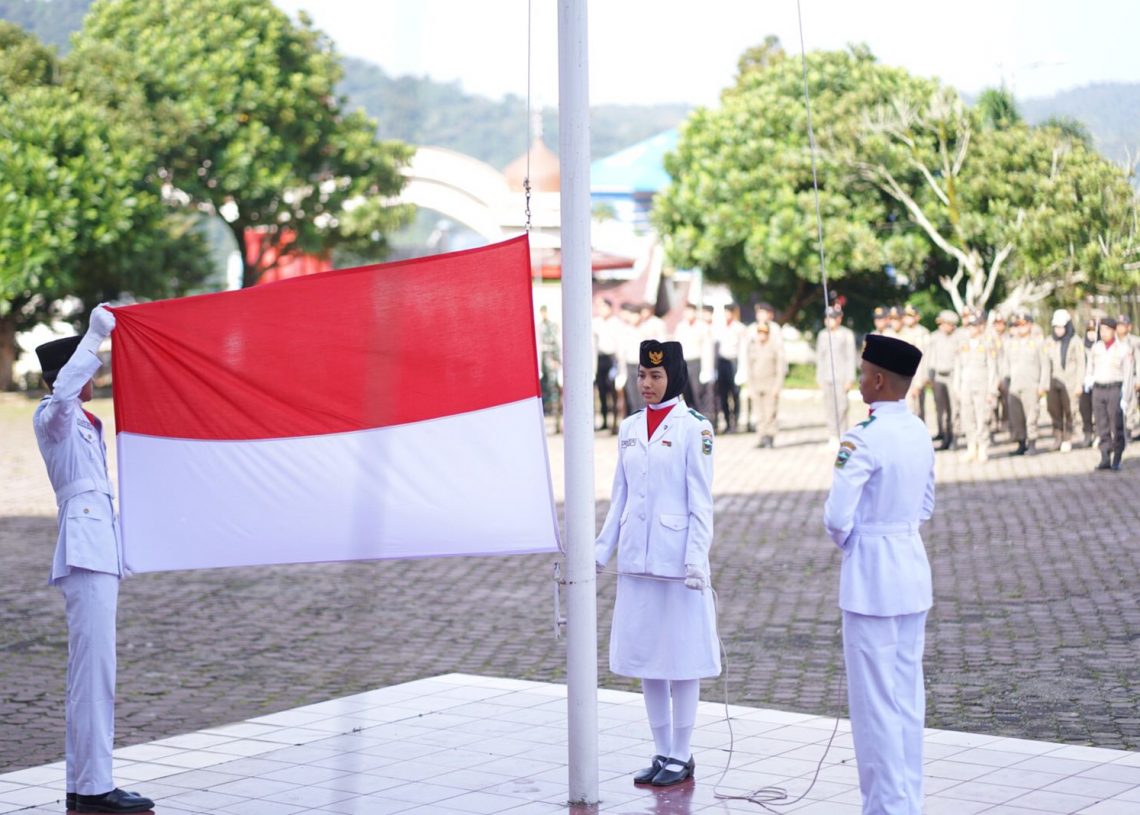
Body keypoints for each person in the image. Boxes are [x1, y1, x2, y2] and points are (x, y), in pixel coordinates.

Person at [33, 306, 156, 814]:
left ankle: (87, 783)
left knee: (95, 671)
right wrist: (95, 335)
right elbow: (64, 391)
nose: (95, 378)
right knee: (92, 672)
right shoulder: (53, 415)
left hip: (101, 546)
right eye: (88, 370)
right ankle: (92, 789)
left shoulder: (84, 420)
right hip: (85, 549)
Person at [595, 339, 720, 788]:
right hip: (636, 559)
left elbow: (701, 503)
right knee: (648, 658)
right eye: (642, 376)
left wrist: (696, 561)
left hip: (677, 564)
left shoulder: (695, 428)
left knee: (681, 659)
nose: (646, 384)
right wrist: (599, 551)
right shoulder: (629, 427)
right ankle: (662, 750)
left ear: (675, 377)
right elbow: (620, 497)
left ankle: (683, 754)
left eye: (656, 376)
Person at [823, 333, 935, 815]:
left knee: (874, 707)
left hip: (872, 580)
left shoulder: (862, 437)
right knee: (908, 700)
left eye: (864, 371)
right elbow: (926, 505)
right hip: (911, 572)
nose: (859, 378)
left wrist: (858, 543)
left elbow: (835, 516)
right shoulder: (919, 431)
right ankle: (907, 802)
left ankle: (886, 808)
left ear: (879, 379)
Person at [1086, 316, 1133, 471]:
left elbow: (1127, 375)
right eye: (1102, 330)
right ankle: (1105, 456)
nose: (1104, 333)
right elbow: (1090, 367)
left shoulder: (1123, 349)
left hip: (1114, 389)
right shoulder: (1096, 348)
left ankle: (1118, 455)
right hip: (1099, 389)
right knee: (1101, 424)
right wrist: (1088, 379)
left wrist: (1125, 397)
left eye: (1107, 330)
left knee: (1116, 424)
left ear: (1113, 331)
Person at [1004, 312, 1051, 456]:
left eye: (1023, 324)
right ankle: (1021, 443)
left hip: (1031, 385)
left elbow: (1045, 365)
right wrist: (1004, 382)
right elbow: (1006, 365)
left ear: (1030, 325)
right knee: (1016, 417)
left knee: (1031, 417)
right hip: (1015, 385)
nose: (1020, 328)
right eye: (1018, 325)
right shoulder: (1011, 343)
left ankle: (1032, 443)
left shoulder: (1037, 342)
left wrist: (1043, 385)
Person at [953, 313, 998, 462]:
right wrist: (956, 386)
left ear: (980, 327)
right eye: (970, 325)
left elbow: (993, 368)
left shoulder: (987, 343)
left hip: (982, 385)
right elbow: (958, 366)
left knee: (982, 417)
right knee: (968, 417)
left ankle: (983, 447)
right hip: (966, 385)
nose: (972, 328)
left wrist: (992, 390)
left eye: (975, 325)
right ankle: (971, 446)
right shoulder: (963, 343)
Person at [816, 306, 857, 444]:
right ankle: (832, 434)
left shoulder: (846, 334)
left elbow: (851, 357)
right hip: (827, 376)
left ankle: (843, 434)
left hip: (841, 377)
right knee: (829, 407)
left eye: (832, 318)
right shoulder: (822, 335)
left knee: (842, 407)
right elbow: (820, 358)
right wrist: (819, 377)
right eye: (827, 318)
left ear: (839, 318)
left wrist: (850, 378)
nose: (829, 321)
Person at [743, 321, 786, 448]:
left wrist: (777, 387)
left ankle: (770, 436)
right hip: (756, 384)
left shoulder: (775, 347)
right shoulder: (753, 347)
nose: (762, 335)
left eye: (764, 332)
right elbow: (749, 368)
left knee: (770, 412)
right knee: (759, 413)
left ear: (768, 333)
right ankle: (761, 436)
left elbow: (780, 369)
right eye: (759, 332)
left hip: (770, 384)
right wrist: (750, 387)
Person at [1045, 309, 1084, 452]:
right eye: (1056, 327)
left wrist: (1080, 383)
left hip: (1070, 382)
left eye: (1061, 327)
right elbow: (1045, 363)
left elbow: (1081, 364)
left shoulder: (1075, 341)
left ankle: (1068, 437)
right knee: (1054, 410)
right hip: (1054, 382)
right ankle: (1058, 437)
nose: (1058, 330)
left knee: (1070, 411)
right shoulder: (1049, 341)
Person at [714, 304, 747, 433]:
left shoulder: (739, 328)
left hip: (734, 361)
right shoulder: (719, 328)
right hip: (722, 362)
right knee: (723, 394)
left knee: (735, 393)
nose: (726, 315)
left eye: (729, 312)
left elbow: (743, 349)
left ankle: (735, 421)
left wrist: (742, 369)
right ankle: (727, 422)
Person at [674, 303, 712, 414]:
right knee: (686, 393)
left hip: (697, 362)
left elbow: (707, 349)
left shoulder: (702, 327)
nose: (688, 314)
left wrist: (707, 369)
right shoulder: (680, 327)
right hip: (684, 363)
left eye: (690, 311)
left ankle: (702, 417)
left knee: (698, 393)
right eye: (686, 311)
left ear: (695, 312)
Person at [592, 298, 620, 431]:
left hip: (611, 358)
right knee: (601, 391)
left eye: (604, 307)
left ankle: (614, 421)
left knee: (613, 391)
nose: (601, 310)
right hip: (599, 359)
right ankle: (603, 420)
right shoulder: (595, 323)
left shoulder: (616, 323)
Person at [537, 305, 562, 433]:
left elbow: (556, 344)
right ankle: (548, 416)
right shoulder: (540, 326)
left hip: (551, 360)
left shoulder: (552, 326)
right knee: (544, 390)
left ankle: (556, 419)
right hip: (542, 362)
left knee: (554, 390)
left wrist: (557, 360)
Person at [1117, 315, 1140, 439]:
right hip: (1117, 378)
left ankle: (1129, 429)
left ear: (1129, 327)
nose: (1120, 327)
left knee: (1131, 404)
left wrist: (1139, 380)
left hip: (1131, 377)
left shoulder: (1135, 341)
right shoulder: (1113, 341)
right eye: (1118, 325)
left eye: (1123, 325)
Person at [1078, 318, 1098, 448]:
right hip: (1084, 383)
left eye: (1093, 330)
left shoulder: (1100, 345)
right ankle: (1087, 433)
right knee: (1085, 410)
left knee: (1098, 411)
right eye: (1089, 331)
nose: (1091, 334)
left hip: (1098, 383)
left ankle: (1098, 434)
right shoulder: (1081, 346)